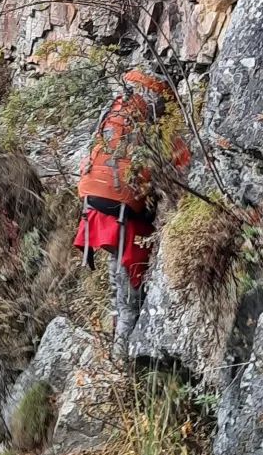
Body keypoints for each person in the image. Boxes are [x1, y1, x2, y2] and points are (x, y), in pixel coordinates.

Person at [74, 67, 190, 354]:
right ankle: (125, 365)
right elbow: (182, 167)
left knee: (118, 286)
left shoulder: (115, 113)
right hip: (125, 217)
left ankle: (116, 350)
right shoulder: (155, 121)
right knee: (129, 302)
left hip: (94, 207)